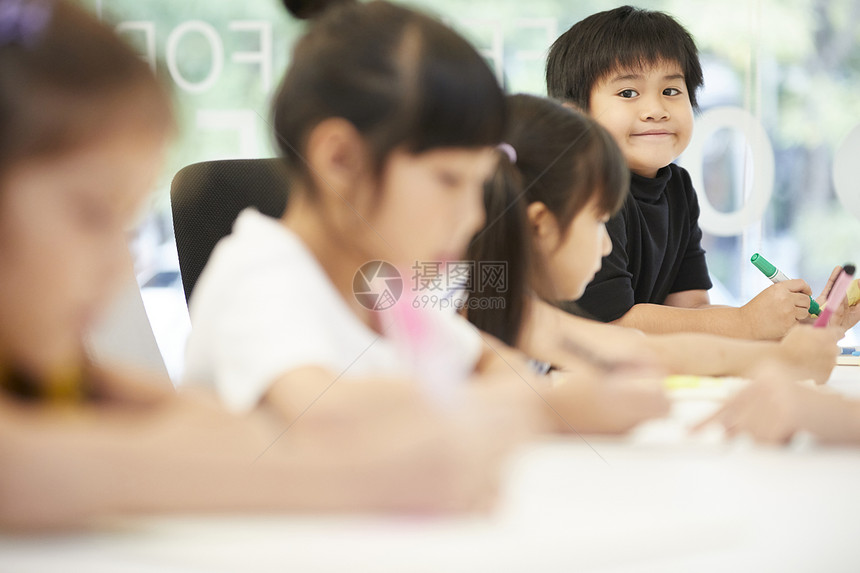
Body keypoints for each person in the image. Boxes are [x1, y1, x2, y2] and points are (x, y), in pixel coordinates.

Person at [0, 0, 528, 530]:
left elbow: (213, 428)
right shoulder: (262, 272)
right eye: (91, 215)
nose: (122, 266)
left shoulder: (64, 372)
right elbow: (24, 467)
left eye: (127, 225)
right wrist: (359, 477)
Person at [465, 94, 840, 409]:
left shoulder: (516, 310)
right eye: (598, 220)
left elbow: (640, 352)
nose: (607, 243)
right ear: (540, 225)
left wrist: (785, 357)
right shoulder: (460, 311)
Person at [545, 6, 855, 340]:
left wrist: (791, 325)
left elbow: (690, 311)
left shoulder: (678, 187)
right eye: (628, 93)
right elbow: (610, 324)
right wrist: (745, 323)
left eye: (671, 91)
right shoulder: (586, 191)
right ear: (573, 117)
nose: (656, 110)